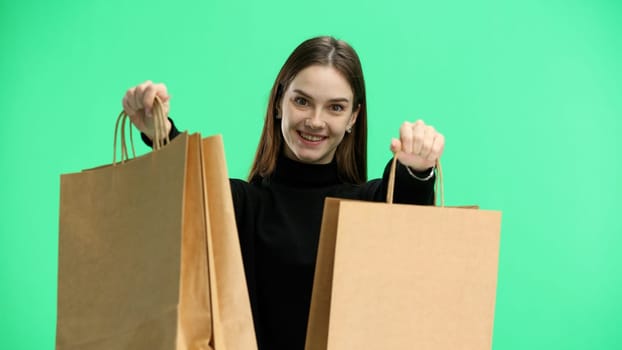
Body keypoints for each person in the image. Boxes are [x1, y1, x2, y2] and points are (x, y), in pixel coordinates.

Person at [121, 36, 445, 350]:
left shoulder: (367, 206)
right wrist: (161, 133)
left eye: (335, 107)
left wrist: (415, 169)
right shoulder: (240, 205)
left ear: (353, 118)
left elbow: (405, 206)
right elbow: (194, 187)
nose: (315, 121)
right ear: (279, 103)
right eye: (302, 101)